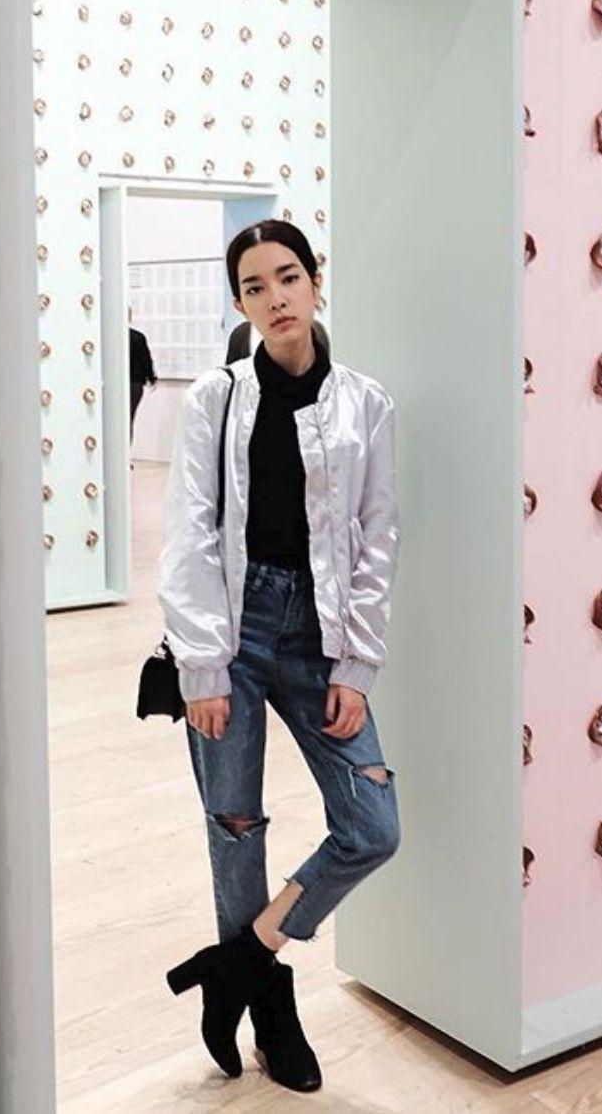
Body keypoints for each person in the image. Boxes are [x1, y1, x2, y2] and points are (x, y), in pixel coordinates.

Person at [157, 219, 401, 1093]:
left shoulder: (365, 404)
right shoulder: (215, 398)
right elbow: (189, 529)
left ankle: (241, 964)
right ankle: (271, 1013)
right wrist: (202, 665)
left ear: (315, 280)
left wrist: (356, 666)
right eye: (255, 287)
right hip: (234, 629)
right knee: (236, 828)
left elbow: (377, 538)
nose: (276, 297)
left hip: (318, 636)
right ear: (240, 304)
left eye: (288, 276)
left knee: (373, 828)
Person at [128, 308, 157, 443]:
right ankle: (125, 451)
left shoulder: (108, 338)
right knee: (129, 419)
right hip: (135, 383)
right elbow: (146, 360)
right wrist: (151, 378)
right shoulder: (138, 337)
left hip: (114, 385)